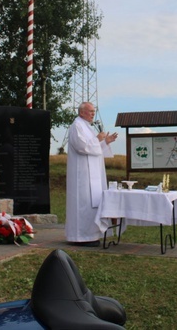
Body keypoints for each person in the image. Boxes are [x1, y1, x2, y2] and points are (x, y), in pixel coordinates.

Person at [65, 102, 118, 247]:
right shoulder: (77, 126)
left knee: (93, 204)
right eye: (90, 112)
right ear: (81, 112)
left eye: (94, 112)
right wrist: (98, 139)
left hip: (93, 174)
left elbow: (94, 148)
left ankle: (92, 235)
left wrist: (105, 141)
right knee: (83, 204)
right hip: (81, 176)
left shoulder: (87, 127)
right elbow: (83, 147)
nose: (93, 114)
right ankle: (80, 236)